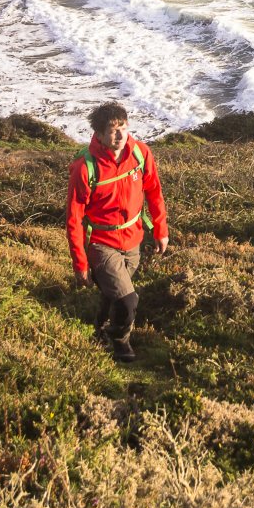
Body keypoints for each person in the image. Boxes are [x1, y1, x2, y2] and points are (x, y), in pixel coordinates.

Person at [66, 102, 168, 362]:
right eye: (112, 130)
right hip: (101, 243)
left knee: (111, 292)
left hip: (134, 238)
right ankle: (120, 340)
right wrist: (80, 263)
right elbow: (74, 219)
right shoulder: (85, 168)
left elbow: (154, 192)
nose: (120, 135)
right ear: (99, 135)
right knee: (127, 300)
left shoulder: (140, 153)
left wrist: (160, 229)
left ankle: (98, 327)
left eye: (123, 127)